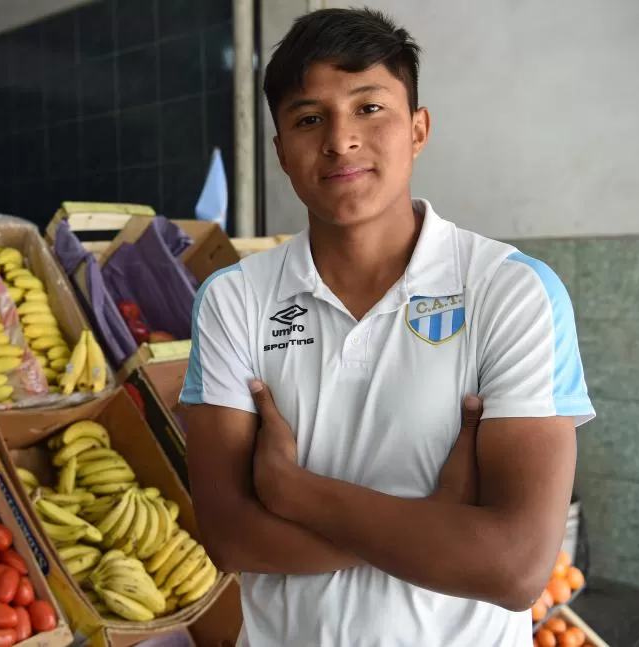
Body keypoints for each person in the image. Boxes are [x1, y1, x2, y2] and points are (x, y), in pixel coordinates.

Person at [179, 7, 594, 647]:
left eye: (369, 109)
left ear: (419, 129)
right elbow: (231, 537)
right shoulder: (233, 300)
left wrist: (293, 491)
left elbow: (512, 567)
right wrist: (437, 525)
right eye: (309, 118)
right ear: (281, 152)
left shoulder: (511, 291)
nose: (340, 140)